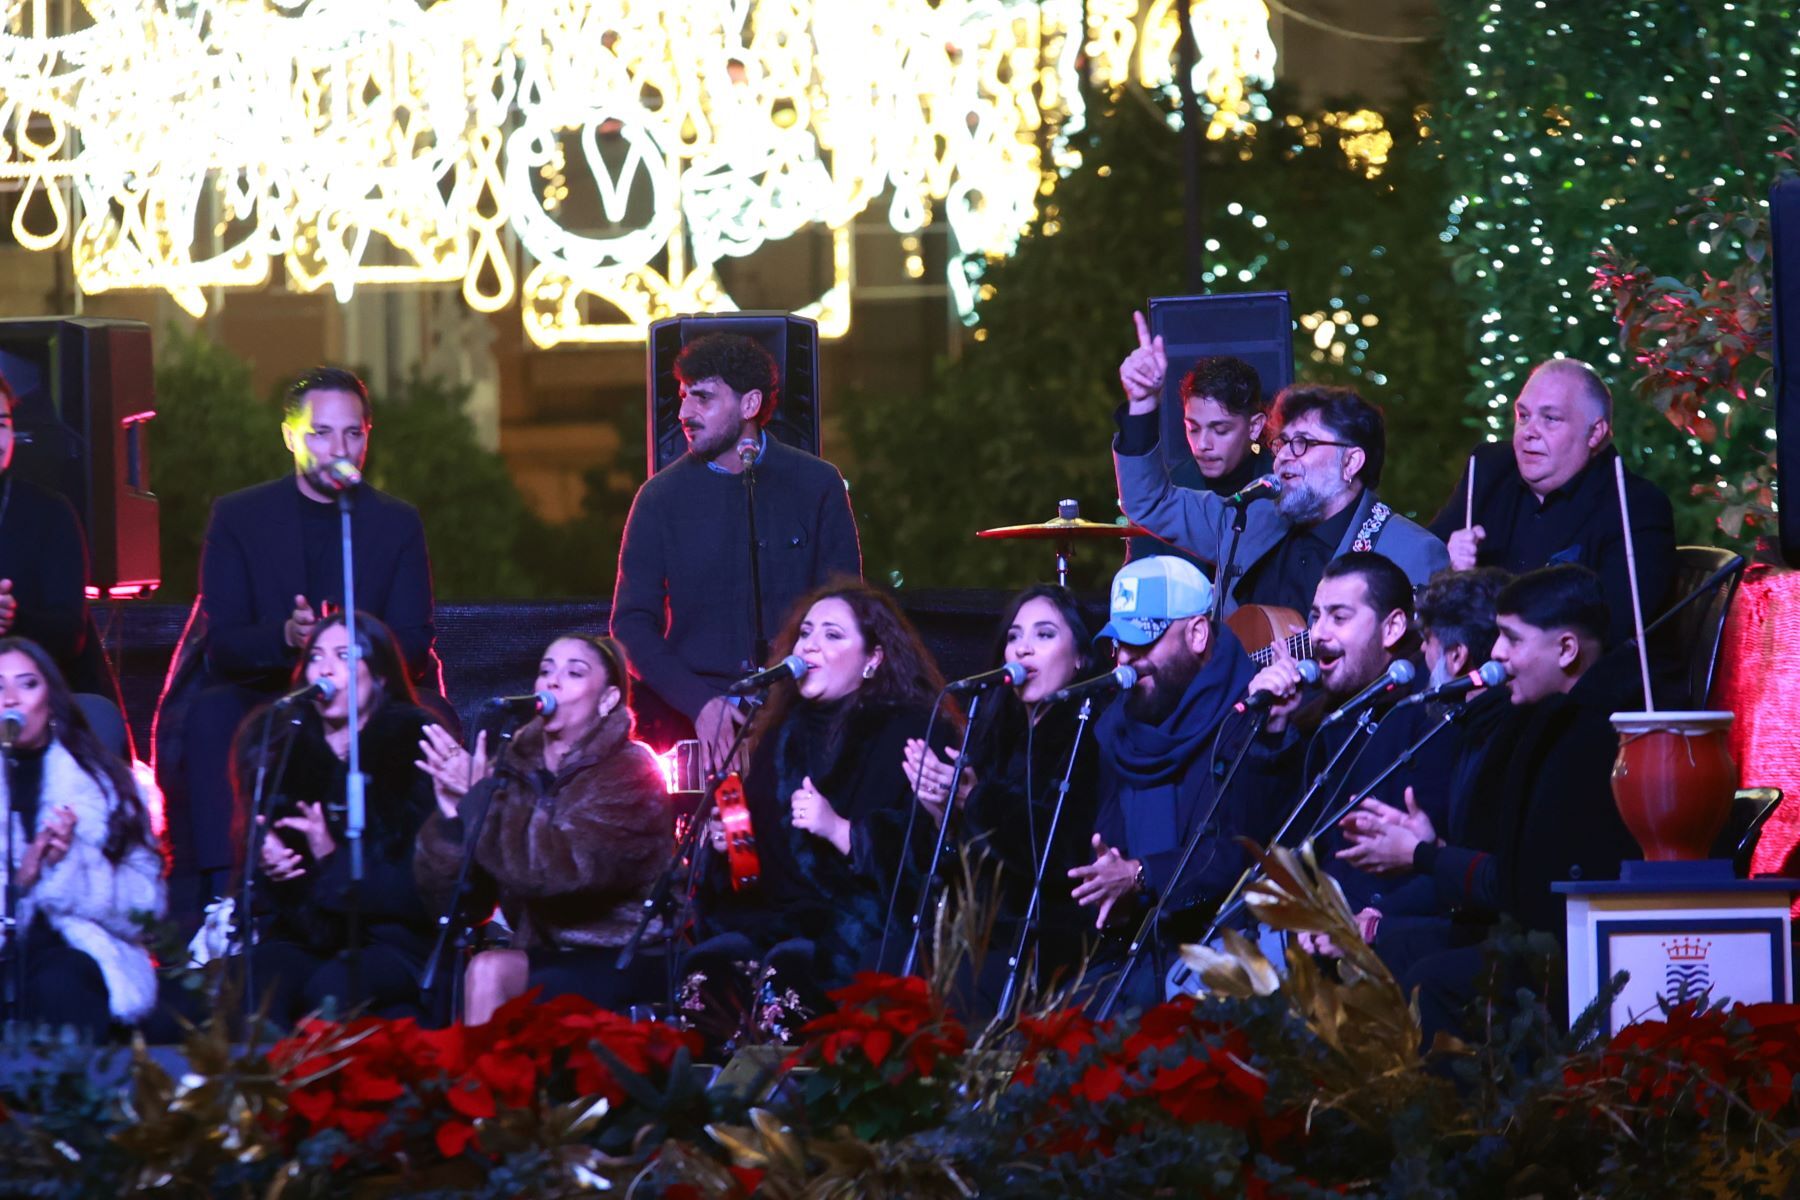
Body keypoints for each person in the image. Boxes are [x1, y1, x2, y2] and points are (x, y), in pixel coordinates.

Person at [155, 366, 446, 924]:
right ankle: (222, 902)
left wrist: (356, 655)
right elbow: (224, 643)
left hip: (368, 699)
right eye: (321, 432)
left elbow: (412, 639)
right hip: (271, 692)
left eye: (353, 433)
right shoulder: (239, 517)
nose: (339, 447)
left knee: (432, 717)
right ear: (290, 436)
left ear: (367, 435)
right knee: (215, 713)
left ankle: (421, 895)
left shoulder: (396, 523)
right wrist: (288, 638)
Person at [1336, 565, 1639, 1040]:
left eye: (1511, 639)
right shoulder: (1543, 720)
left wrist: (1424, 855)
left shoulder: (1591, 736)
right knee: (1392, 951)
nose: (1496, 654)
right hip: (1529, 931)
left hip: (1572, 956)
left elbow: (1528, 891)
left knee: (1429, 983)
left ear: (1566, 649)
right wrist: (1429, 845)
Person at [685, 580, 952, 1023]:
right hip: (774, 915)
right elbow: (757, 862)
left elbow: (925, 861)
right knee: (706, 976)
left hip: (857, 921)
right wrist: (731, 847)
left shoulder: (913, 730)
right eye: (806, 632)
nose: (810, 645)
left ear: (873, 659)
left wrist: (840, 830)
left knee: (788, 980)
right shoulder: (779, 733)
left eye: (832, 635)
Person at [611, 333, 862, 759]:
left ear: (749, 405)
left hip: (802, 715)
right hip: (692, 724)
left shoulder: (817, 484)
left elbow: (846, 606)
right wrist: (700, 703)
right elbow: (631, 624)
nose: (686, 413)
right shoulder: (658, 498)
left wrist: (796, 694)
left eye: (703, 398)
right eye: (684, 396)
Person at [1115, 313, 1448, 622]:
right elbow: (1150, 502)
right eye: (1282, 442)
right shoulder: (1245, 519)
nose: (1285, 455)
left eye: (1303, 443)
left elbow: (1426, 662)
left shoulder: (1410, 550)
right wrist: (1143, 404)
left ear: (1351, 461)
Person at [414, 634, 671, 1024]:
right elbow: (464, 905)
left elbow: (563, 871)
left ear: (608, 699)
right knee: (469, 971)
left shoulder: (633, 772)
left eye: (573, 672)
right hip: (539, 950)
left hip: (620, 956)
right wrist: (454, 820)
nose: (551, 681)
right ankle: (478, 1083)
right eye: (545, 670)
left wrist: (481, 797)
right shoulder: (514, 767)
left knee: (504, 975)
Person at [1066, 556, 1273, 1010]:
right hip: (1138, 949)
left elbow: (1237, 851)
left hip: (1225, 951)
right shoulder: (1120, 724)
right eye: (1119, 644)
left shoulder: (1251, 710)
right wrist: (1110, 892)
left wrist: (1140, 876)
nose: (1126, 661)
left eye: (1143, 642)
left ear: (1197, 635)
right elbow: (1111, 849)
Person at [902, 585, 1113, 1005]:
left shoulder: (1092, 735)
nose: (1023, 649)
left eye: (1044, 634)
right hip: (980, 933)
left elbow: (1060, 849)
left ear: (1081, 658)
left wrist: (973, 801)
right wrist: (940, 814)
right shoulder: (994, 732)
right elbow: (956, 871)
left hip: (1055, 939)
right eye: (1015, 636)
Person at [237, 613, 437, 1025]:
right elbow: (265, 871)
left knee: (331, 989)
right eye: (316, 657)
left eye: (344, 656)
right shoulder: (283, 745)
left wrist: (332, 858)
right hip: (306, 933)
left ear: (380, 676)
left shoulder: (412, 747)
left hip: (391, 938)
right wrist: (275, 865)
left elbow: (418, 885)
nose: (325, 669)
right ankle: (253, 1089)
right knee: (255, 982)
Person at [1428, 359, 1676, 663]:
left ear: (1595, 432)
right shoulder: (1489, 468)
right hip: (1466, 669)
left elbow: (1605, 633)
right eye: (1523, 415)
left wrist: (1475, 591)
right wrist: (1446, 570)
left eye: (1550, 419)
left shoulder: (1635, 506)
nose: (1528, 432)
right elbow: (1422, 564)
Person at [0, 636, 164, 1037]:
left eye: (27, 683)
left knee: (59, 981)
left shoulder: (108, 787)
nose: (10, 699)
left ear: (51, 698)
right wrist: (21, 881)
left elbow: (146, 910)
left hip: (82, 954)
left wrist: (70, 866)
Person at [0, 373, 118, 702]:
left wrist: (13, 619)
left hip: (48, 700)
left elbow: (69, 635)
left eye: (2, 424)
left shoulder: (49, 513)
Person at [1125, 355, 1271, 568]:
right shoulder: (1166, 492)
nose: (1202, 444)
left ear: (1255, 427)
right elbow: (1139, 581)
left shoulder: (1283, 488)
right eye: (1192, 428)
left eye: (1220, 430)